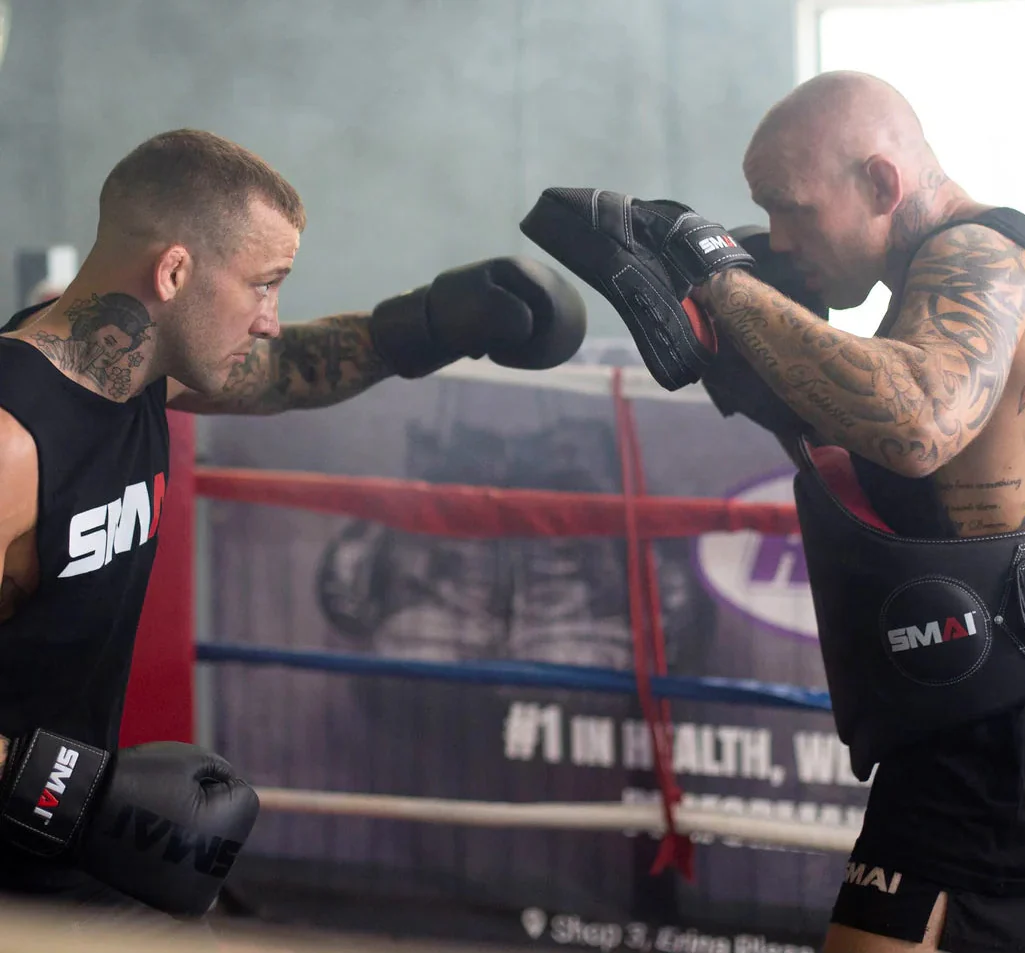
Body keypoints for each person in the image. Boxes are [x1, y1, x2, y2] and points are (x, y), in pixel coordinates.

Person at [519, 71, 1025, 954]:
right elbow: (903, 466)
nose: (778, 236)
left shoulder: (978, 260)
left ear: (881, 185)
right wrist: (745, 348)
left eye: (791, 209)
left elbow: (917, 421)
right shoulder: (932, 292)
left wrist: (724, 281)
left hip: (1004, 733)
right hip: (1006, 711)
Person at [0, 128, 586, 938]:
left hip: (63, 857)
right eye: (264, 285)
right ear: (174, 271)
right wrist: (68, 788)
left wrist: (426, 326)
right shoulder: (11, 446)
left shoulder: (133, 368)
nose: (271, 320)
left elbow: (283, 372)